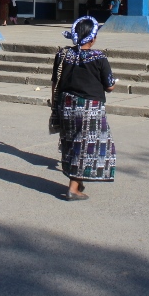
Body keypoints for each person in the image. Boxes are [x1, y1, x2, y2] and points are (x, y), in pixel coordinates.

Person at [50, 16, 118, 201]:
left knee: (71, 143)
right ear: (93, 38)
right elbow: (109, 85)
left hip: (66, 105)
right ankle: (73, 189)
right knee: (85, 146)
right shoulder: (99, 57)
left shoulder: (63, 55)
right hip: (89, 108)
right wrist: (112, 84)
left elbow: (55, 82)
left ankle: (78, 181)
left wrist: (54, 106)